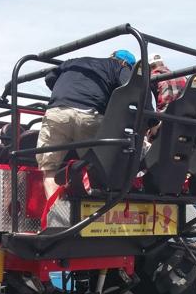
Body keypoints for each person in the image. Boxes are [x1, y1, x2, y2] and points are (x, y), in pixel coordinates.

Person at [36, 50, 137, 198]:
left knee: (49, 169)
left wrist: (64, 93)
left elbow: (50, 77)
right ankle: (93, 207)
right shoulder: (118, 67)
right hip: (90, 115)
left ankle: (56, 214)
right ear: (125, 63)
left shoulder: (75, 61)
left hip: (57, 113)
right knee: (95, 167)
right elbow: (131, 88)